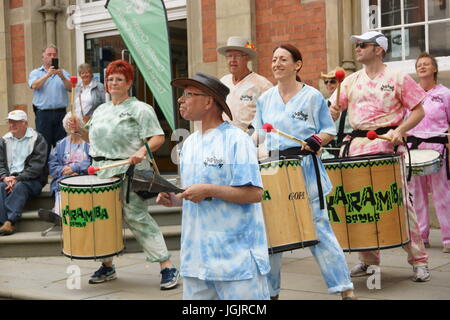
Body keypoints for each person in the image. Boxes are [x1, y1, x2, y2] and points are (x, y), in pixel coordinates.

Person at [252, 44, 356, 300]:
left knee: (319, 229)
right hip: (275, 170)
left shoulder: (312, 97)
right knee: (273, 231)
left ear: (297, 64)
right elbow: (258, 135)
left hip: (306, 169)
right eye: (274, 59)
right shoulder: (265, 99)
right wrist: (241, 144)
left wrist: (317, 140)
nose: (276, 64)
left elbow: (328, 129)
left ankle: (344, 287)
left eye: (283, 59)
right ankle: (270, 292)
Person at [156, 72, 271, 300]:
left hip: (235, 260)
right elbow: (194, 192)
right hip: (196, 259)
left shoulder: (236, 140)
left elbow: (255, 193)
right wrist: (176, 198)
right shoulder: (188, 144)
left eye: (189, 94)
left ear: (209, 102)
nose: (181, 100)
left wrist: (208, 190)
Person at [329, 31, 431, 282]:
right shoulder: (350, 81)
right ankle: (368, 260)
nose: (357, 49)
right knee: (362, 206)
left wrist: (400, 131)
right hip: (356, 149)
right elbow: (332, 111)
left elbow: (419, 110)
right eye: (357, 45)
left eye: (363, 45)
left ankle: (419, 261)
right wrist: (329, 113)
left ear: (378, 49)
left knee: (400, 204)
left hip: (387, 148)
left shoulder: (397, 77)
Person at [69, 60, 179, 289]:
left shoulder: (140, 109)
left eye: (119, 79)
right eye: (110, 79)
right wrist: (78, 129)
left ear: (129, 82)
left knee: (138, 219)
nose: (114, 83)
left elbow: (157, 137)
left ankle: (166, 266)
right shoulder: (101, 110)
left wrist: (141, 151)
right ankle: (107, 265)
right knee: (104, 220)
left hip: (129, 172)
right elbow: (91, 139)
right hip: (101, 173)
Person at [407, 52, 450, 253]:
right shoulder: (412, 94)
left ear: (434, 69)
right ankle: (421, 236)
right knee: (417, 195)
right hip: (414, 150)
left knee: (443, 194)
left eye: (426, 64)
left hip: (437, 148)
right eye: (419, 65)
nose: (422, 67)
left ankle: (448, 238)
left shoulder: (445, 94)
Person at [0, 110, 48, 236]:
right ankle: (3, 222)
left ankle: (10, 221)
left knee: (20, 186)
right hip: (10, 178)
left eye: (15, 122)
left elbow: (36, 167)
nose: (12, 125)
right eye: (10, 122)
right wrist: (5, 177)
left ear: (25, 123)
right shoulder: (4, 140)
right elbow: (0, 163)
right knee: (0, 186)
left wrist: (18, 179)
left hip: (32, 180)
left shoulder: (37, 139)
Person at [38, 112, 91, 226]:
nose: (72, 125)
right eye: (69, 122)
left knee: (72, 182)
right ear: (65, 125)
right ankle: (58, 213)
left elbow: (91, 161)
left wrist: (75, 168)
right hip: (64, 177)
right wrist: (63, 170)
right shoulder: (60, 144)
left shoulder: (87, 145)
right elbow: (52, 164)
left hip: (83, 177)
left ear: (80, 124)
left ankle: (57, 213)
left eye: (75, 122)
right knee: (62, 184)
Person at [217, 36, 273, 132]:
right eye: (229, 56)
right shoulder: (222, 82)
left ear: (246, 58)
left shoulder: (263, 85)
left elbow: (271, 118)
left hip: (250, 141)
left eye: (237, 56)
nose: (232, 60)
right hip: (223, 139)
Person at [28, 44, 72, 153]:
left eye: (54, 55)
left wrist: (62, 77)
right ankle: (44, 170)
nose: (52, 57)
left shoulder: (64, 73)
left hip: (61, 114)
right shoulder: (36, 73)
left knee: (62, 146)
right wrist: (48, 75)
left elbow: (71, 88)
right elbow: (34, 86)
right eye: (49, 54)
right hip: (43, 115)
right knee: (43, 147)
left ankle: (60, 169)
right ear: (43, 57)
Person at [320, 68, 352, 159]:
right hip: (327, 153)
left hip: (347, 151)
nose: (329, 84)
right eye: (326, 82)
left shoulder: (351, 104)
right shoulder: (322, 105)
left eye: (333, 81)